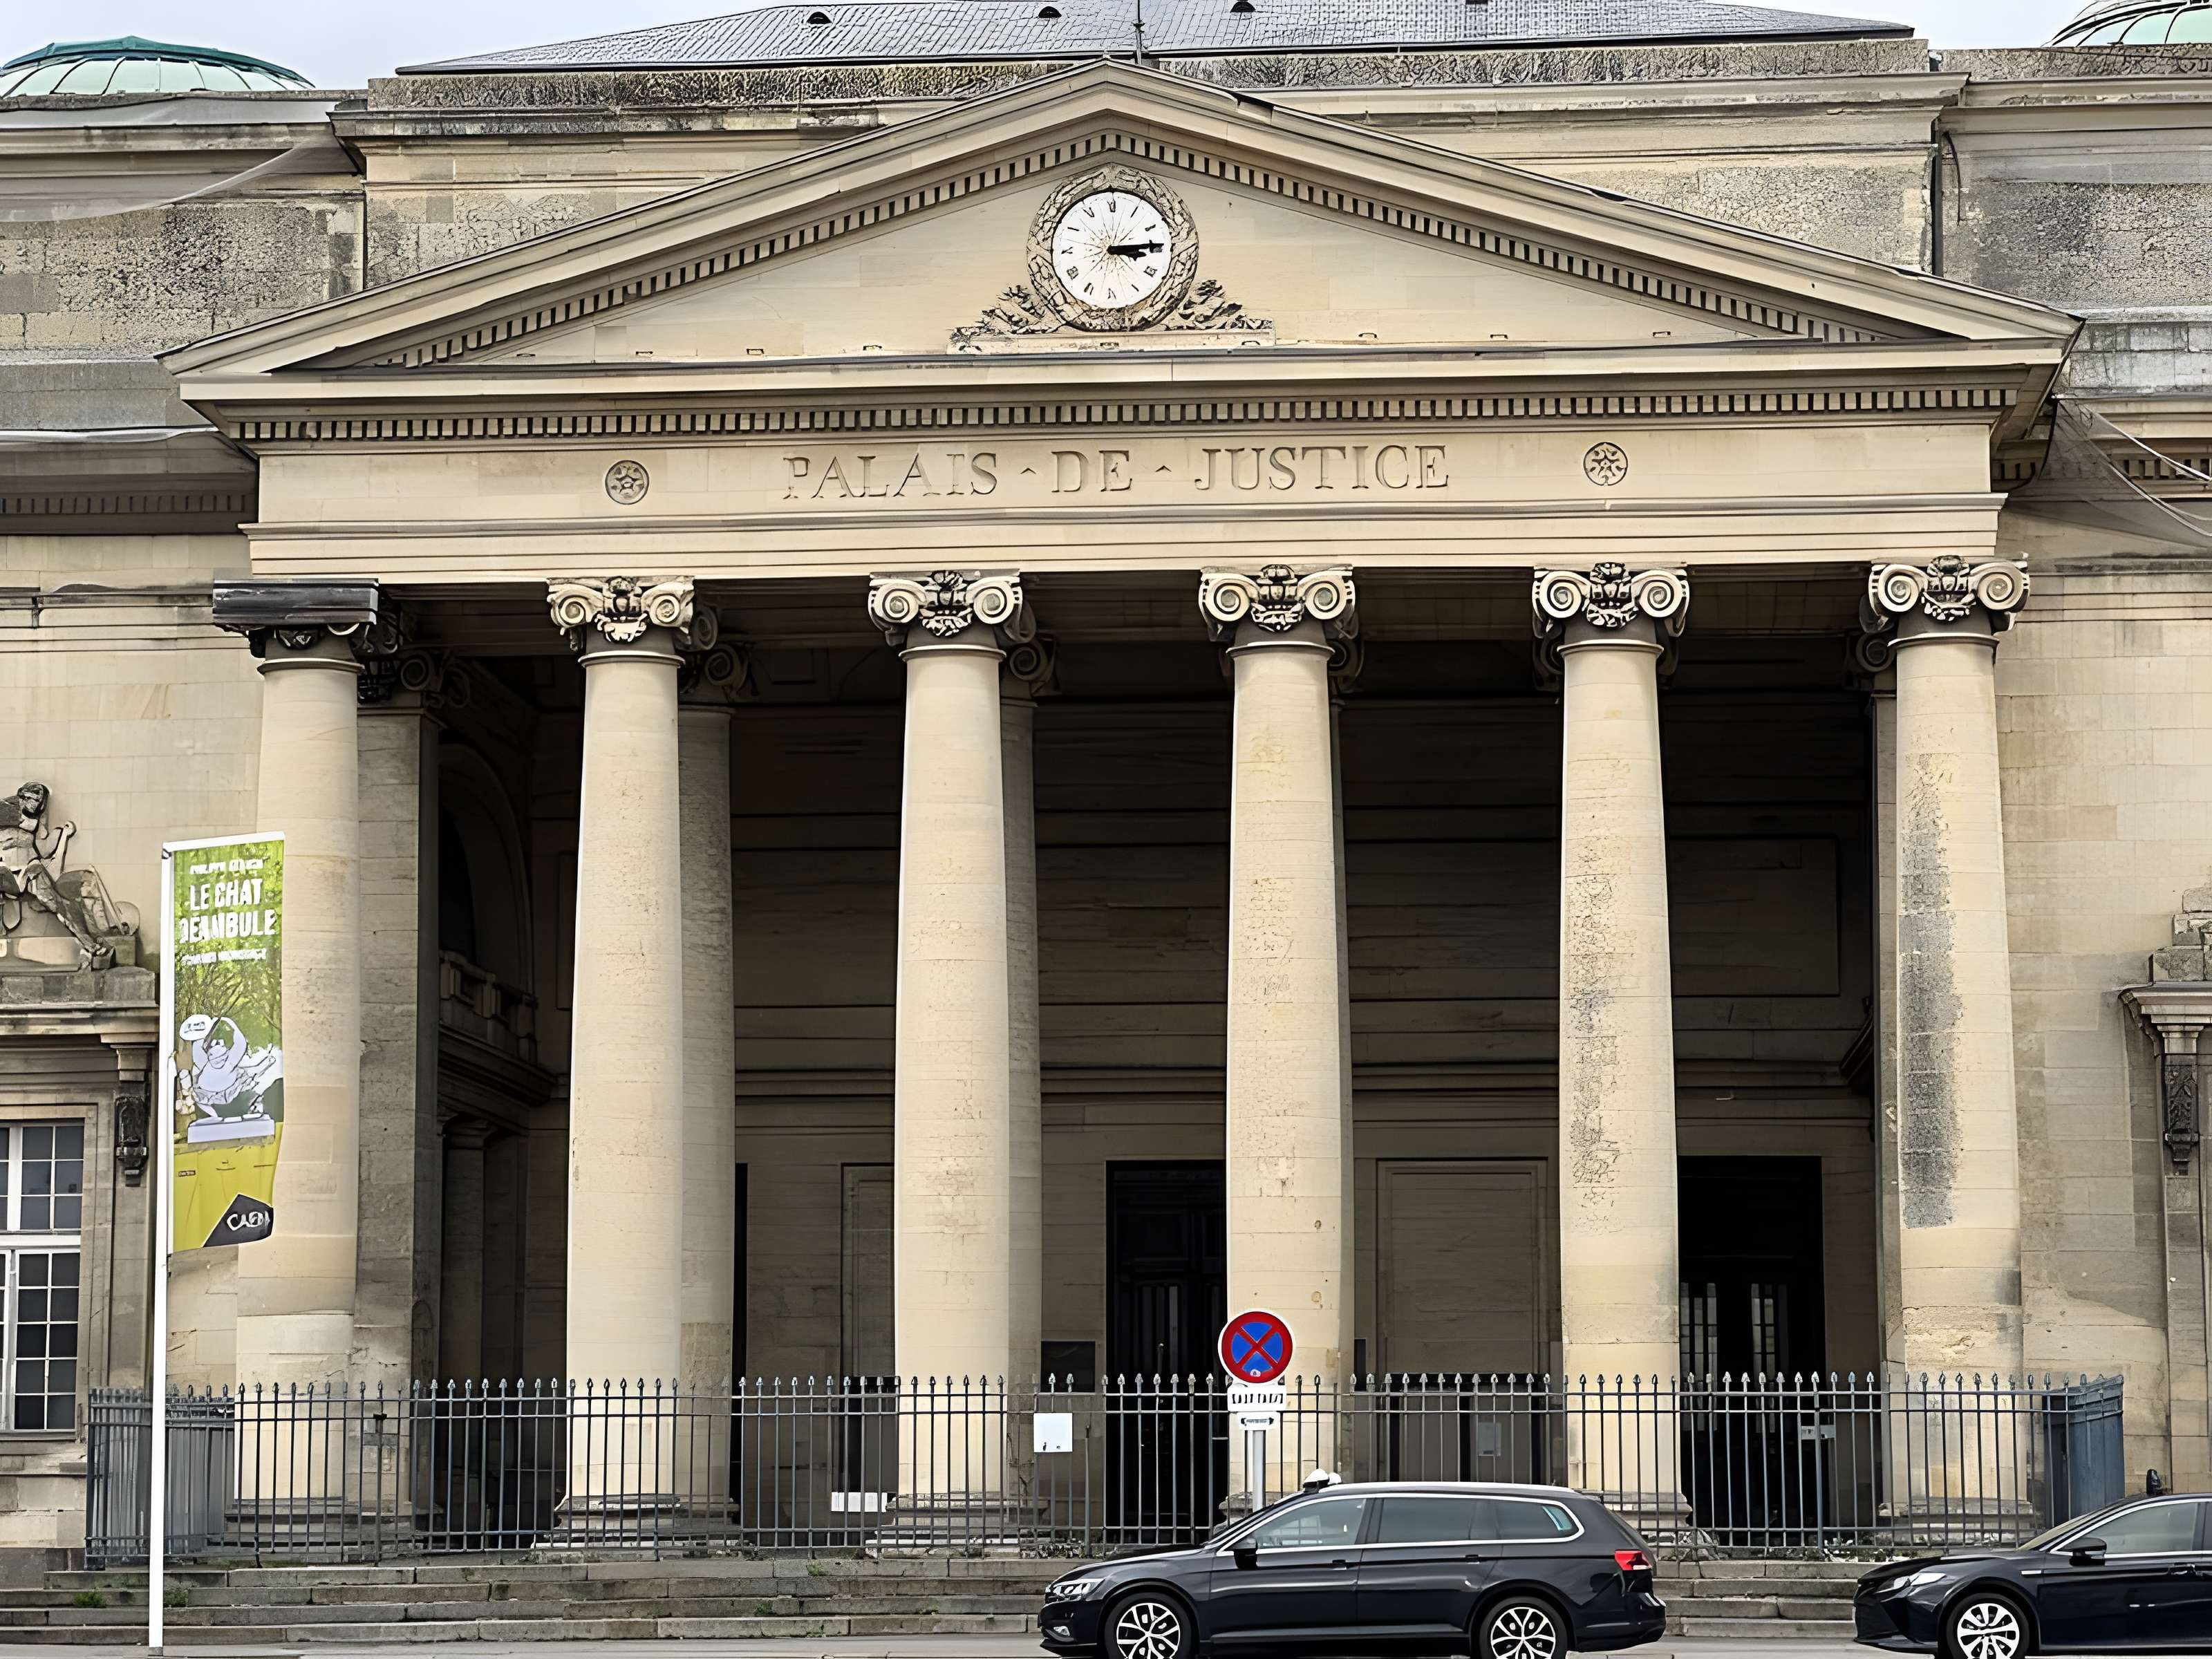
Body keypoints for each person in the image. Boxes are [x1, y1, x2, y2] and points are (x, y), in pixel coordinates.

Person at [0, 783, 111, 969]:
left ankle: (91, 945)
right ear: (22, 798)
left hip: (30, 867)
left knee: (57, 902)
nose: (35, 804)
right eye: (31, 800)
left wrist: (62, 837)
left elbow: (43, 848)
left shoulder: (36, 821)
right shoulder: (6, 810)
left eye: (39, 801)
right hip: (5, 870)